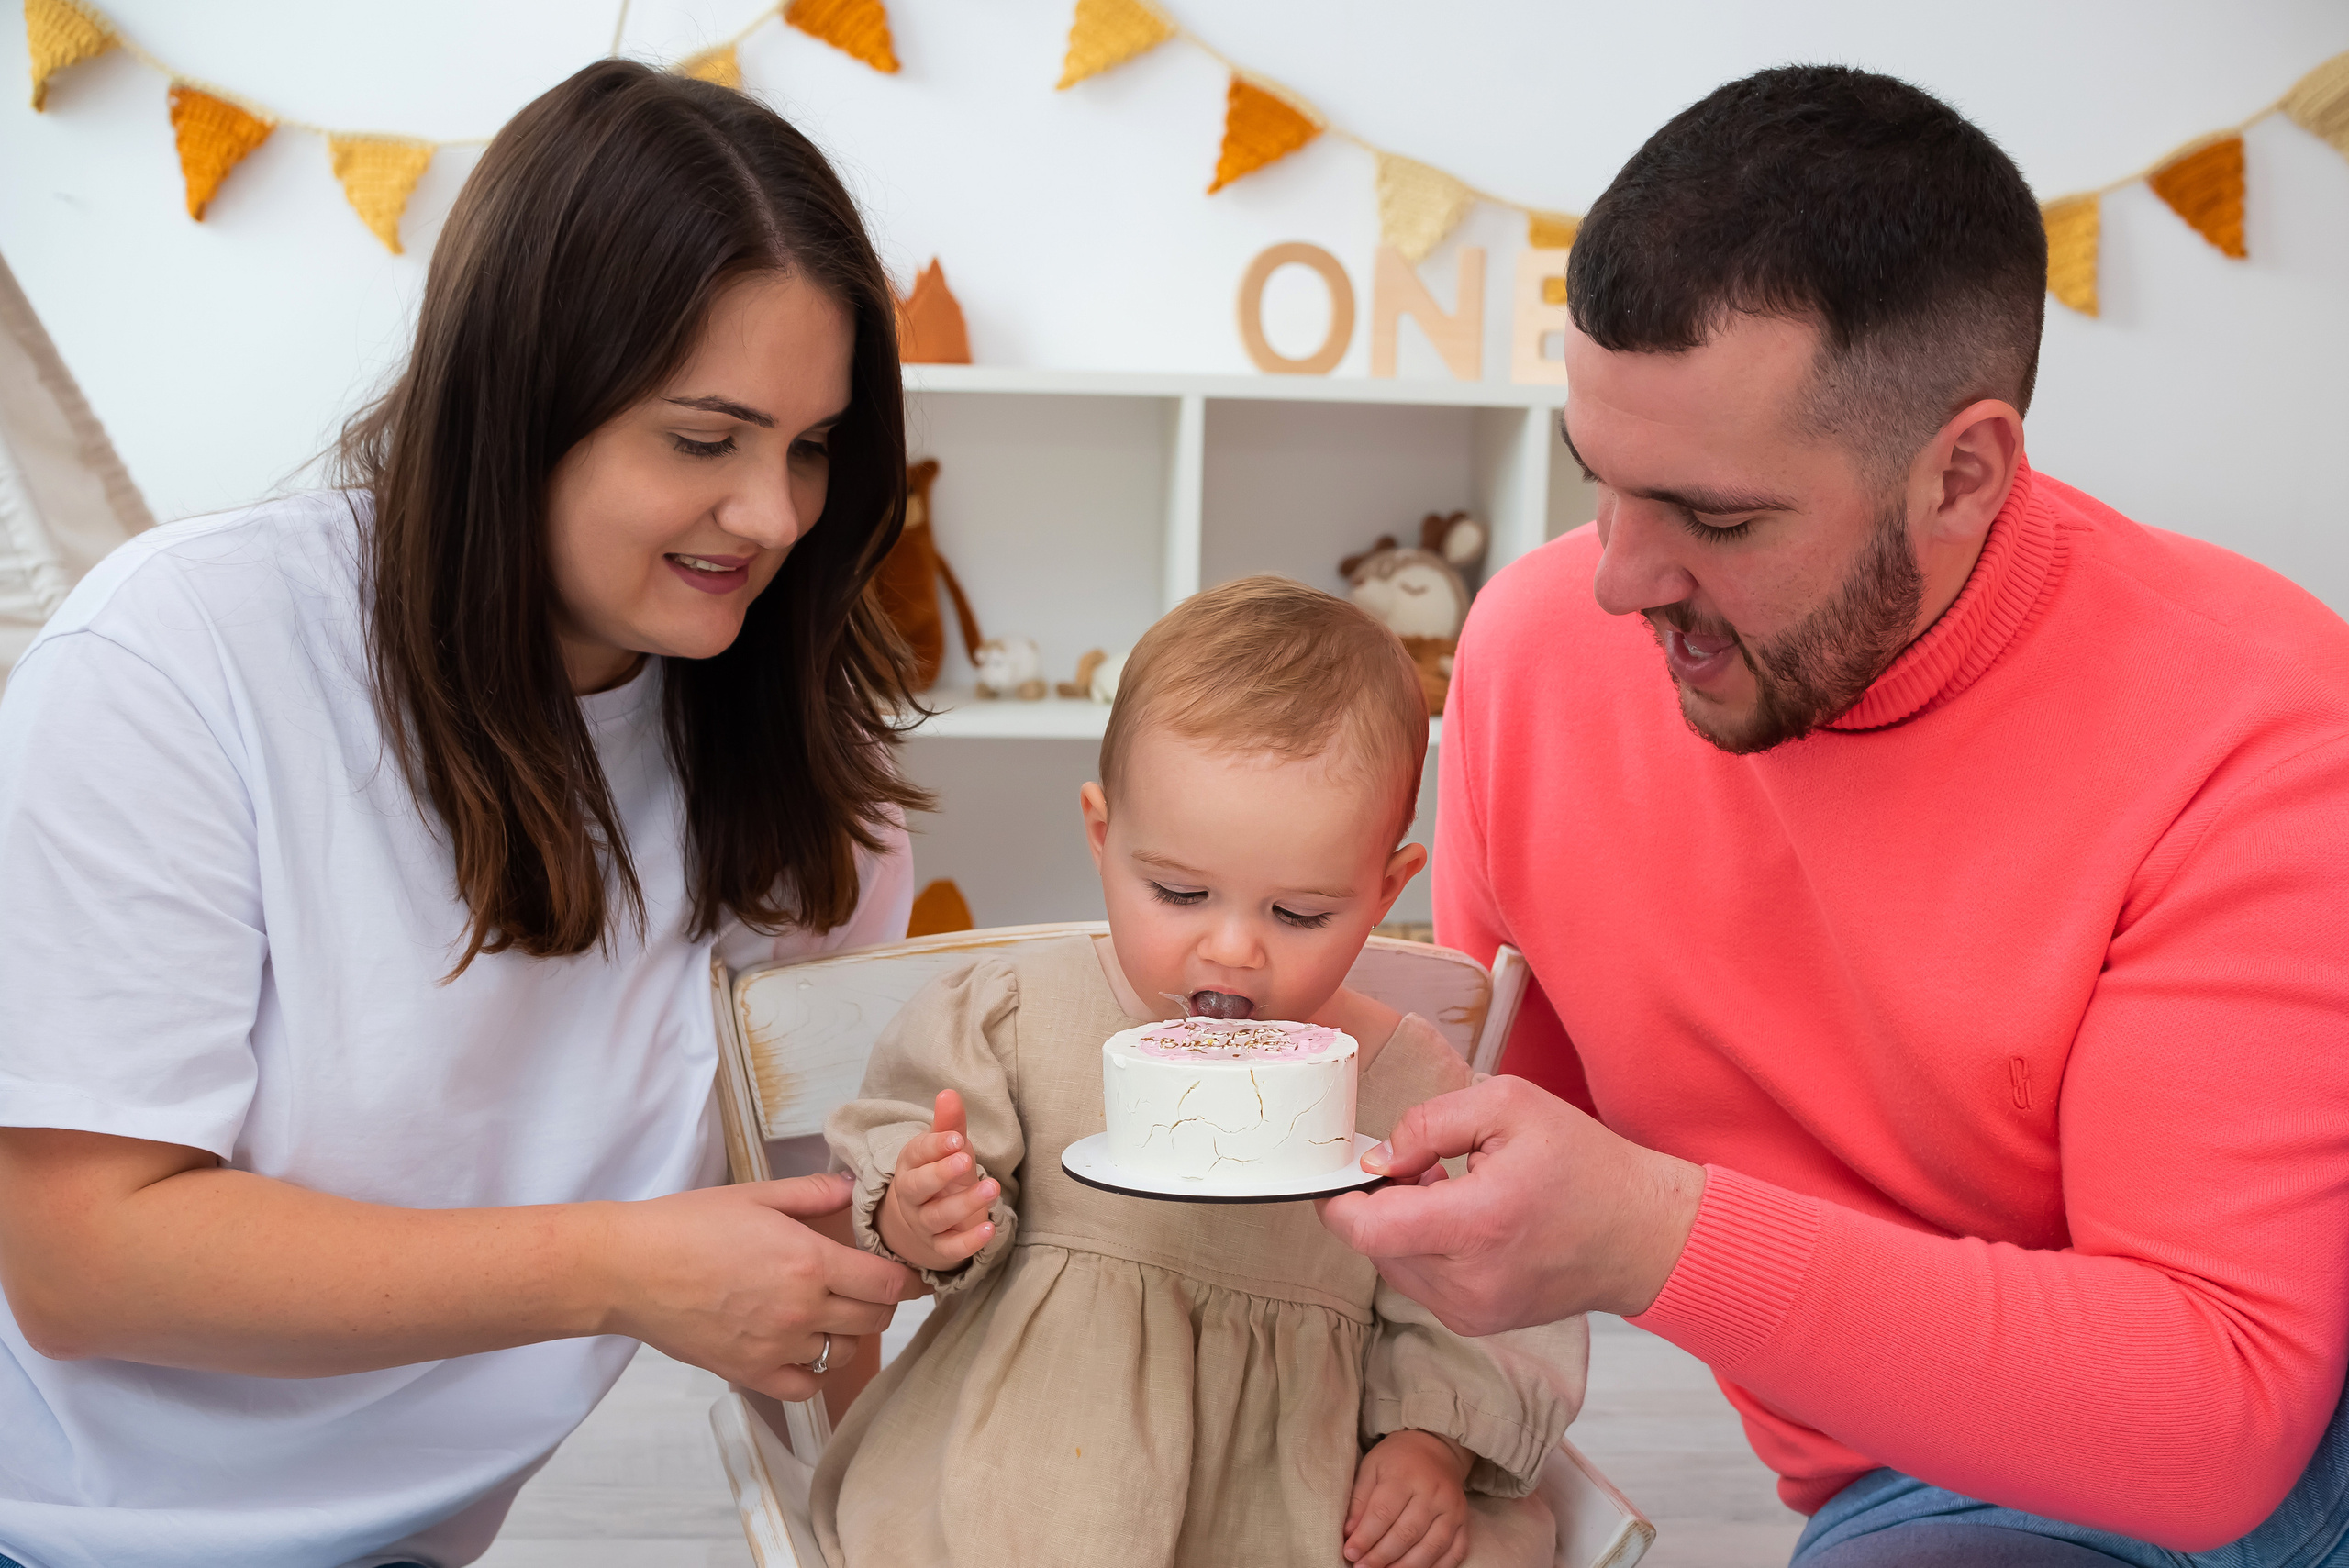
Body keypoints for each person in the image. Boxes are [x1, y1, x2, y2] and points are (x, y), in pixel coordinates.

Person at [1319, 64, 2349, 1566]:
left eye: (1718, 519)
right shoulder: (1535, 654)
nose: (1617, 578)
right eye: (1597, 477)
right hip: (1931, 1475)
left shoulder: (2256, 711)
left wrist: (1653, 1231)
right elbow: (1492, 1163)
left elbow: (2214, 1419)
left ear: (1963, 473)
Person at [0, 61, 930, 1568]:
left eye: (812, 445)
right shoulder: (176, 660)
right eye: (705, 439)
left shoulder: (807, 791)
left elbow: (810, 1273)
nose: (772, 513)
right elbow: (80, 1252)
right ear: (517, 400)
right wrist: (618, 1265)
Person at [810, 577, 1586, 1568]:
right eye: (1178, 891)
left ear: (1386, 887)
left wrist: (1425, 1440)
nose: (1232, 950)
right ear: (1102, 835)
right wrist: (926, 1211)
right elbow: (900, 1166)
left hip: (1295, 1489)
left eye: (1297, 913)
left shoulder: (1411, 1088)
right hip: (1041, 1456)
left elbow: (1485, 1287)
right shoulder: (1016, 1017)